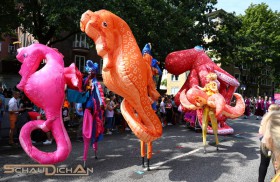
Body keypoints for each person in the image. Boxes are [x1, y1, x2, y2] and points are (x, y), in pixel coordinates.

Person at [258, 104, 280, 182]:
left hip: (265, 143)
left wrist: (262, 139)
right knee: (277, 165)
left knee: (263, 164)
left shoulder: (265, 118)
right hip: (276, 146)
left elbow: (260, 132)